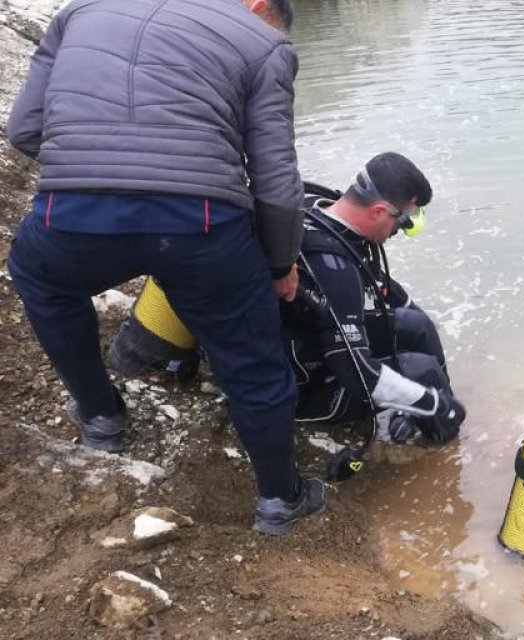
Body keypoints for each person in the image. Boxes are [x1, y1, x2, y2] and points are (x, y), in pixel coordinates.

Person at [5, 0, 323, 535]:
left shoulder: (78, 10)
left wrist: (91, 165)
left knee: (40, 276)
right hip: (199, 225)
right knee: (252, 358)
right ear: (259, 5)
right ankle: (278, 500)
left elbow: (23, 129)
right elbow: (276, 182)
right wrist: (279, 263)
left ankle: (101, 417)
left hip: (73, 214)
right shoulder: (266, 43)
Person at [283, 153, 466, 447]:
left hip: (314, 343)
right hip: (299, 390)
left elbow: (387, 290)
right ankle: (446, 445)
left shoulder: (323, 214)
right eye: (404, 221)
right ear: (379, 211)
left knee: (417, 325)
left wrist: (424, 399)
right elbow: (360, 375)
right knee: (422, 372)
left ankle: (436, 410)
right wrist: (433, 403)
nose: (401, 231)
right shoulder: (333, 268)